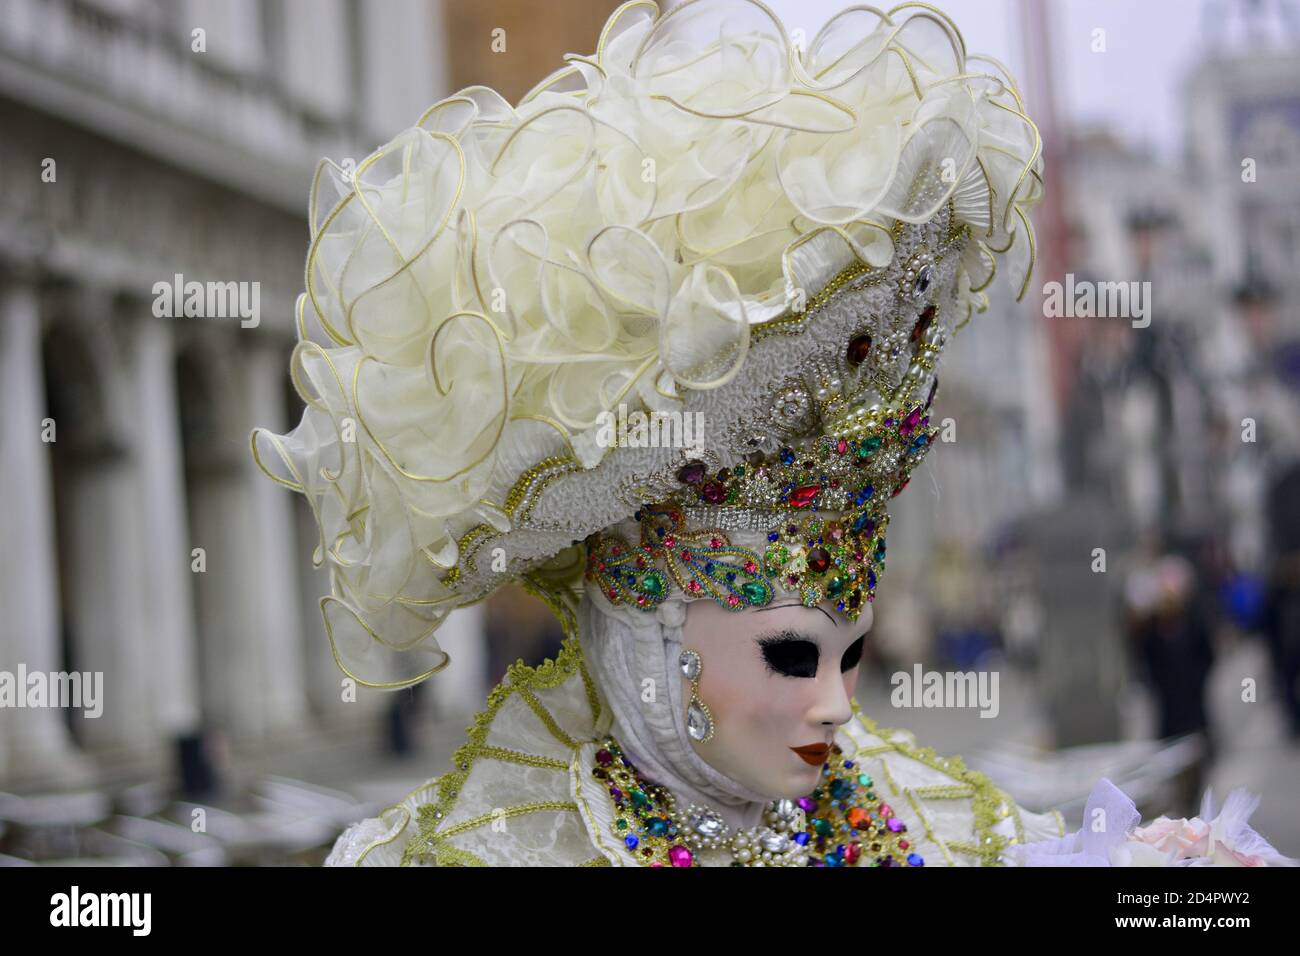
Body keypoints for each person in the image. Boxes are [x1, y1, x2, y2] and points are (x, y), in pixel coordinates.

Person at [250, 0, 1291, 867]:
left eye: (850, 654)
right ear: (642, 614)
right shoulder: (490, 843)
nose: (839, 707)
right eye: (793, 654)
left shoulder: (889, 802)